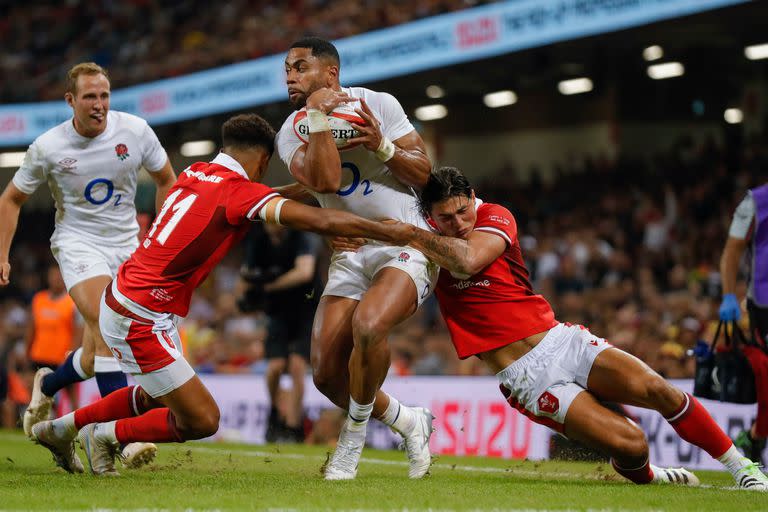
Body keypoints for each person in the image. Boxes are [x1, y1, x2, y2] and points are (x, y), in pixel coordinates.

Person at [30, 113, 417, 476]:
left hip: (133, 300)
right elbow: (319, 219)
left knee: (155, 396)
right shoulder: (237, 193)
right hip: (140, 315)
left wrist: (309, 189)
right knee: (201, 420)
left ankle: (71, 430)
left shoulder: (198, 172)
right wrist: (392, 231)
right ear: (263, 161)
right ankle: (94, 434)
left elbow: (263, 196)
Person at [391, 166, 767, 490]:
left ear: (472, 197)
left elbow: (469, 260)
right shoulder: (425, 247)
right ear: (431, 218)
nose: (458, 223)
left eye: (462, 211)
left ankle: (743, 468)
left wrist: (410, 233)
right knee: (632, 445)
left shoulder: (493, 215)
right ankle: (652, 476)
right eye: (447, 219)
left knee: (658, 389)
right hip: (528, 380)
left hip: (561, 340)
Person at [0, 62, 176, 467]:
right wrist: (3, 253)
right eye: (90, 97)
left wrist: (159, 235)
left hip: (128, 244)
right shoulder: (49, 147)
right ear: (71, 101)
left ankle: (51, 382)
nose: (99, 105)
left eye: (105, 96)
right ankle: (121, 434)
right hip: (78, 244)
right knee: (106, 320)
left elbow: (167, 179)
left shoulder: (134, 131)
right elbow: (11, 198)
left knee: (100, 346)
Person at [276, 36, 436, 480]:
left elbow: (426, 174)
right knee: (327, 375)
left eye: (301, 67)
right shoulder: (291, 129)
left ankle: (352, 439)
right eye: (287, 69)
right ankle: (408, 420)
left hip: (405, 243)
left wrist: (381, 146)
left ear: (331, 74)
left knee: (369, 324)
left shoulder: (379, 104)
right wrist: (316, 116)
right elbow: (325, 183)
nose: (290, 75)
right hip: (350, 254)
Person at [239, 223, 322, 442]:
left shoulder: (302, 236)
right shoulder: (258, 240)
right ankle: (275, 414)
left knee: (296, 365)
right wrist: (248, 292)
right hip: (277, 312)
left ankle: (294, 426)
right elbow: (246, 272)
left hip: (305, 311)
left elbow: (305, 272)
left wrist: (267, 286)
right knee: (275, 367)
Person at [719, 182, 768, 465]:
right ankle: (755, 437)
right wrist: (728, 295)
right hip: (764, 303)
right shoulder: (755, 202)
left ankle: (754, 437)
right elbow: (733, 249)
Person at [26, 264, 82, 409]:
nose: (56, 279)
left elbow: (78, 332)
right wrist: (27, 350)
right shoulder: (39, 299)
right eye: (53, 275)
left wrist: (71, 355)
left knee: (71, 395)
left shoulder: (72, 302)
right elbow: (31, 328)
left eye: (59, 276)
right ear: (48, 278)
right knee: (38, 395)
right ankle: (38, 425)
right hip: (40, 355)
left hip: (61, 358)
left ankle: (78, 424)